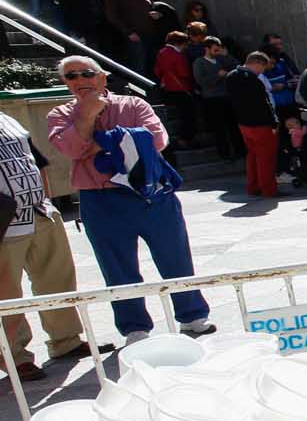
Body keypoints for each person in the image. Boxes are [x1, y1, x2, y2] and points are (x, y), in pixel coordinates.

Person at [44, 56, 212, 343]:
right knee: (116, 266)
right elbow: (71, 149)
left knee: (175, 256)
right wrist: (88, 117)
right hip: (100, 199)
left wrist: (95, 143)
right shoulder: (60, 114)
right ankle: (134, 326)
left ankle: (192, 314)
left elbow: (156, 139)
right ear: (66, 82)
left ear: (102, 78)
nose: (80, 80)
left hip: (151, 194)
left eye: (87, 73)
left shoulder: (134, 105)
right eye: (72, 76)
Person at [0, 109, 101, 380]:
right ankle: (14, 357)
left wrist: (46, 202)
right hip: (4, 224)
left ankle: (65, 340)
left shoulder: (8, 119)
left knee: (57, 279)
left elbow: (36, 161)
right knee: (6, 294)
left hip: (39, 212)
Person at [225, 51, 281, 197]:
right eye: (263, 68)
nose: (262, 71)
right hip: (260, 123)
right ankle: (268, 189)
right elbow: (264, 103)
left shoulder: (231, 76)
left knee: (252, 155)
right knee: (266, 157)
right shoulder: (252, 80)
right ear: (257, 64)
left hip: (243, 122)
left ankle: (253, 186)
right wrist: (274, 122)